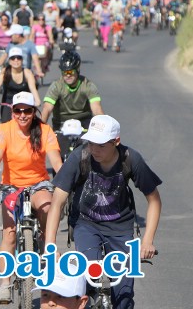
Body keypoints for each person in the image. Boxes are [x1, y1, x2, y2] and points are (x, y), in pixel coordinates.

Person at [45, 115, 162, 309]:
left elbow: (154, 200)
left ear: (116, 141)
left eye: (101, 145)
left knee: (123, 293)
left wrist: (147, 240)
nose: (94, 149)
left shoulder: (131, 159)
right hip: (86, 225)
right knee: (88, 280)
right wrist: (50, 244)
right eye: (91, 143)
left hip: (120, 228)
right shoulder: (79, 157)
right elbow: (57, 202)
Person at [0, 92, 62, 304]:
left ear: (33, 112)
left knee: (47, 208)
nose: (23, 115)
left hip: (38, 184)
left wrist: (66, 181)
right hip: (11, 186)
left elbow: (56, 161)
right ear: (13, 112)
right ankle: (4, 284)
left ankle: (48, 251)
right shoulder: (4, 129)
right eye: (18, 110)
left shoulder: (45, 130)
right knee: (9, 234)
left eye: (27, 110)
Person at [41, 52, 104, 157]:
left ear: (77, 70)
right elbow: (47, 108)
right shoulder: (56, 86)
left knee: (88, 155)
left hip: (84, 124)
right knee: (58, 154)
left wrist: (103, 127)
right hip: (61, 124)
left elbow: (96, 109)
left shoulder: (88, 85)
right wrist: (39, 127)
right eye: (65, 72)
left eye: (71, 71)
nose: (68, 75)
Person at [0, 47, 40, 123]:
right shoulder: (5, 72)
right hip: (8, 102)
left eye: (18, 58)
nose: (16, 60)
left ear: (22, 60)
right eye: (13, 58)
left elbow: (33, 88)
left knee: (29, 123)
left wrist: (37, 100)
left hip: (23, 102)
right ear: (9, 61)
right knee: (5, 124)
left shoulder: (27, 73)